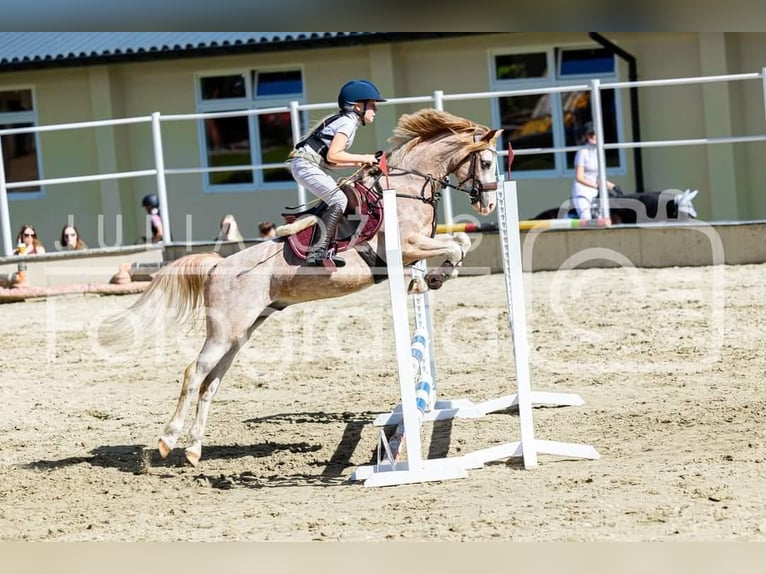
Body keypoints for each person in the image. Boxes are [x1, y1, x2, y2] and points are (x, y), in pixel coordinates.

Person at [288, 79, 385, 267]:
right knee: (339, 200)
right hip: (306, 165)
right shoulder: (347, 123)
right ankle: (318, 252)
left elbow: (332, 160)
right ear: (358, 106)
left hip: (308, 164)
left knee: (336, 199)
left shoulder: (347, 121)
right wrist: (365, 157)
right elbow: (334, 154)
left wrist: (360, 162)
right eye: (372, 105)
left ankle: (324, 245)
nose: (376, 110)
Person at [571, 121, 621, 219]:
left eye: (596, 133)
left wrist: (614, 187)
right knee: (587, 218)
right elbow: (579, 177)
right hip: (582, 192)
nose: (594, 136)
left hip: (595, 193)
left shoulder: (599, 151)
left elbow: (599, 178)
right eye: (591, 134)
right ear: (586, 136)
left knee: (602, 218)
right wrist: (597, 186)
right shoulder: (582, 152)